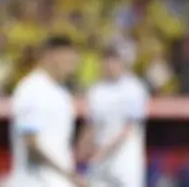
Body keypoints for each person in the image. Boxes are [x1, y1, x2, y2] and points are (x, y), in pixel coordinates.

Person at [9, 35, 84, 187]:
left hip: (58, 181)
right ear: (52, 56)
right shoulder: (32, 89)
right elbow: (32, 144)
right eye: (68, 59)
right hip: (34, 181)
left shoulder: (61, 93)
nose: (72, 65)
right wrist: (68, 174)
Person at [81, 46, 150, 187]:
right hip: (99, 161)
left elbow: (129, 128)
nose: (109, 66)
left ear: (122, 63)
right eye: (105, 62)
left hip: (124, 160)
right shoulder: (96, 90)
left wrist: (104, 151)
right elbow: (91, 124)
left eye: (113, 61)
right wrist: (83, 149)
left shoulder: (134, 88)